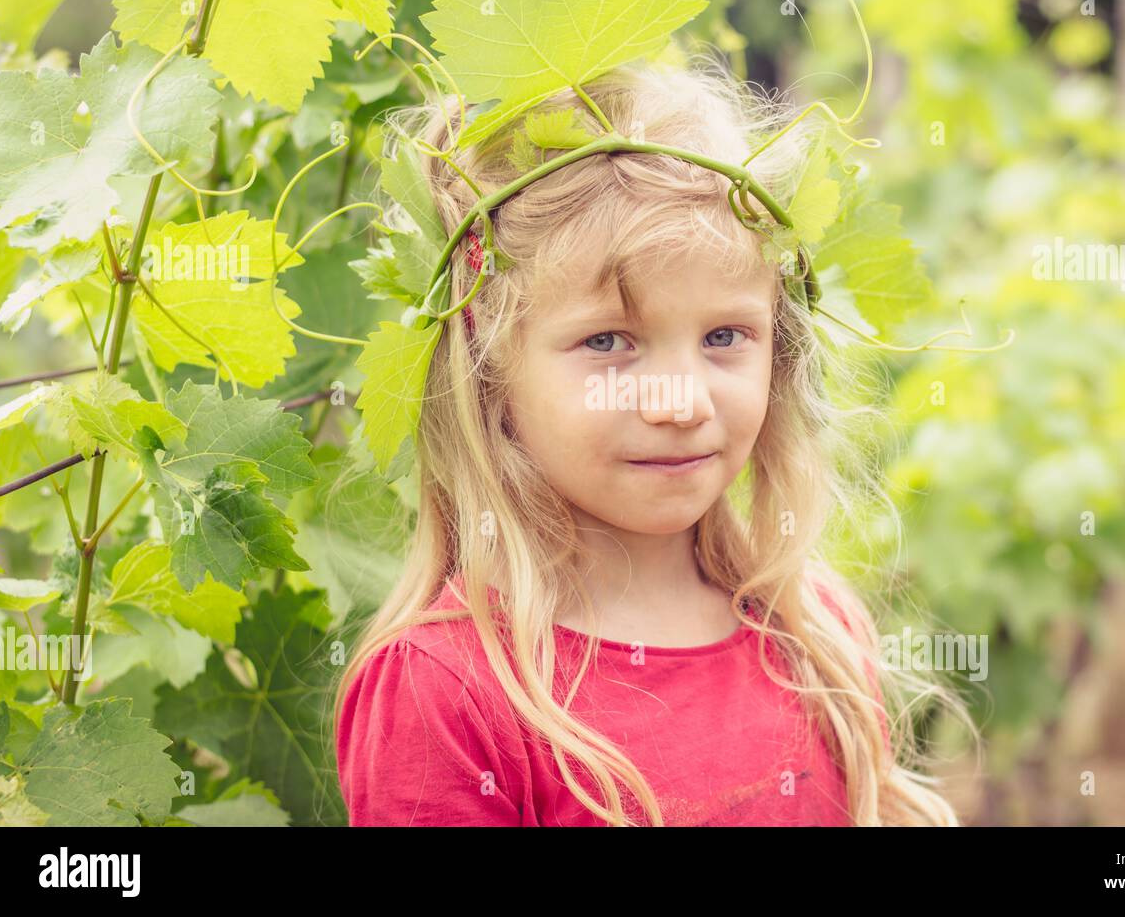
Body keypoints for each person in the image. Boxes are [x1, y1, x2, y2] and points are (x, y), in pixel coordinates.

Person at [333, 55, 962, 826]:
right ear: (491, 365)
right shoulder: (448, 693)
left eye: (725, 335)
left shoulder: (816, 632)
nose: (680, 401)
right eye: (609, 343)